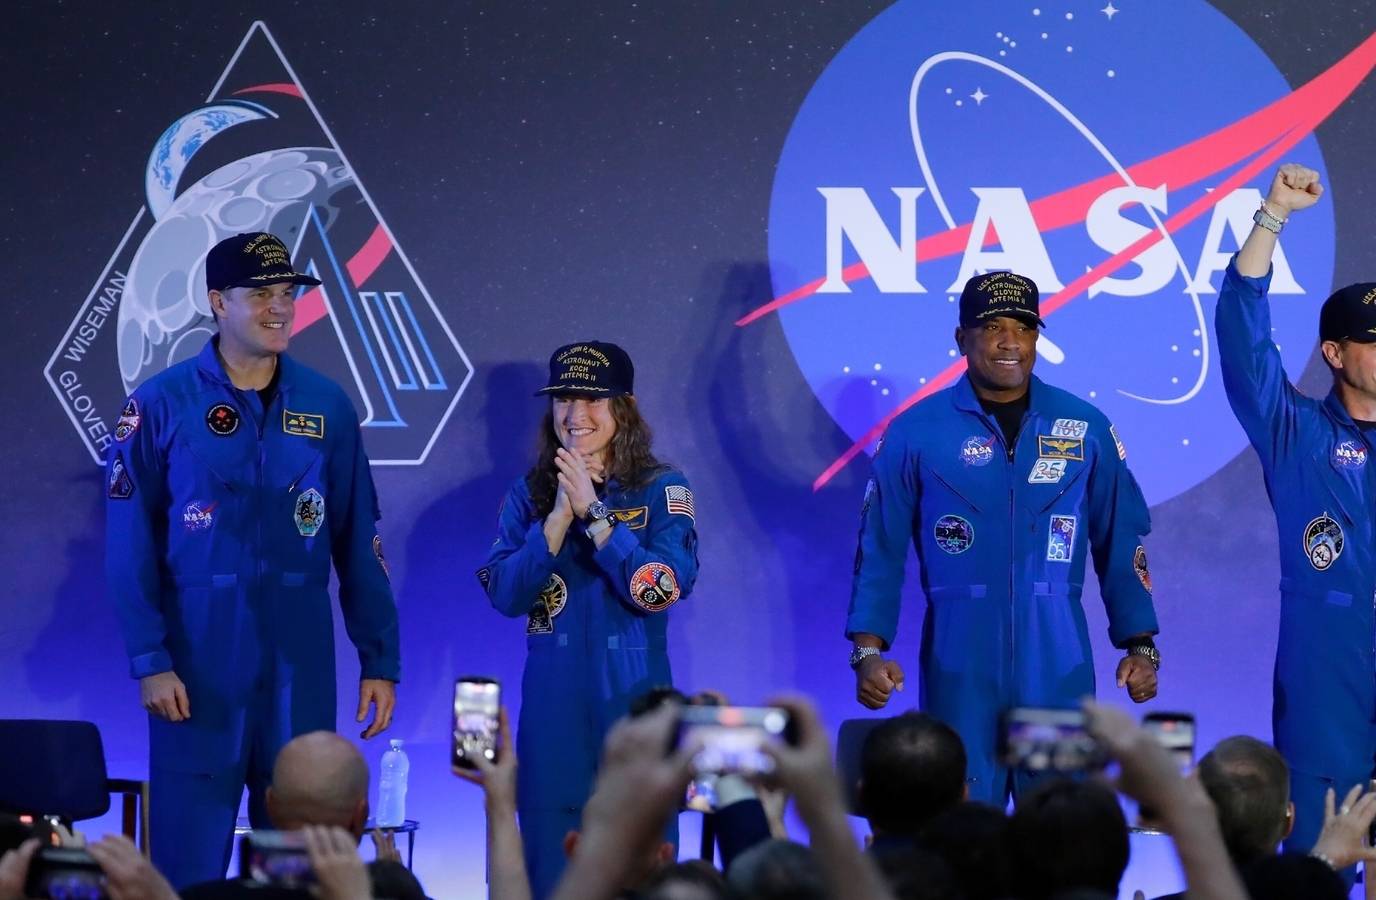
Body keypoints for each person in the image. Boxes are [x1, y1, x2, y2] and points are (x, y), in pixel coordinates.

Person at [105, 231, 400, 889]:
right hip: (198, 669)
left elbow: (359, 540)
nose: (280, 307)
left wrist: (379, 658)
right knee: (186, 867)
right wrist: (151, 660)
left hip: (301, 665)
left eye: (287, 293)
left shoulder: (327, 405)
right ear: (218, 301)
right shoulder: (161, 403)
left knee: (301, 867)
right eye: (261, 293)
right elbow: (128, 547)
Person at [845, 270, 1161, 804]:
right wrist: (867, 651)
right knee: (959, 824)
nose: (1010, 341)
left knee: (1060, 826)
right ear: (961, 338)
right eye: (992, 327)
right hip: (959, 667)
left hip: (1056, 666)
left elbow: (1121, 537)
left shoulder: (1084, 426)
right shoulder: (916, 431)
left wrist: (1141, 644)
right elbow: (880, 548)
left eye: (1024, 327)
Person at [477, 340, 699, 898]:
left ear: (625, 407)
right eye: (563, 400)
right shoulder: (527, 493)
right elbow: (505, 595)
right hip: (552, 708)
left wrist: (596, 517)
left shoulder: (663, 487)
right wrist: (557, 518)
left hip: (633, 701)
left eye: (592, 400)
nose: (575, 415)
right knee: (550, 873)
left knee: (643, 875)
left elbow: (661, 589)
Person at [1215, 161, 1376, 872]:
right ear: (1335, 354)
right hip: (1326, 675)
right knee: (1319, 861)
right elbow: (1244, 343)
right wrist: (1273, 215)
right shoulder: (1297, 434)